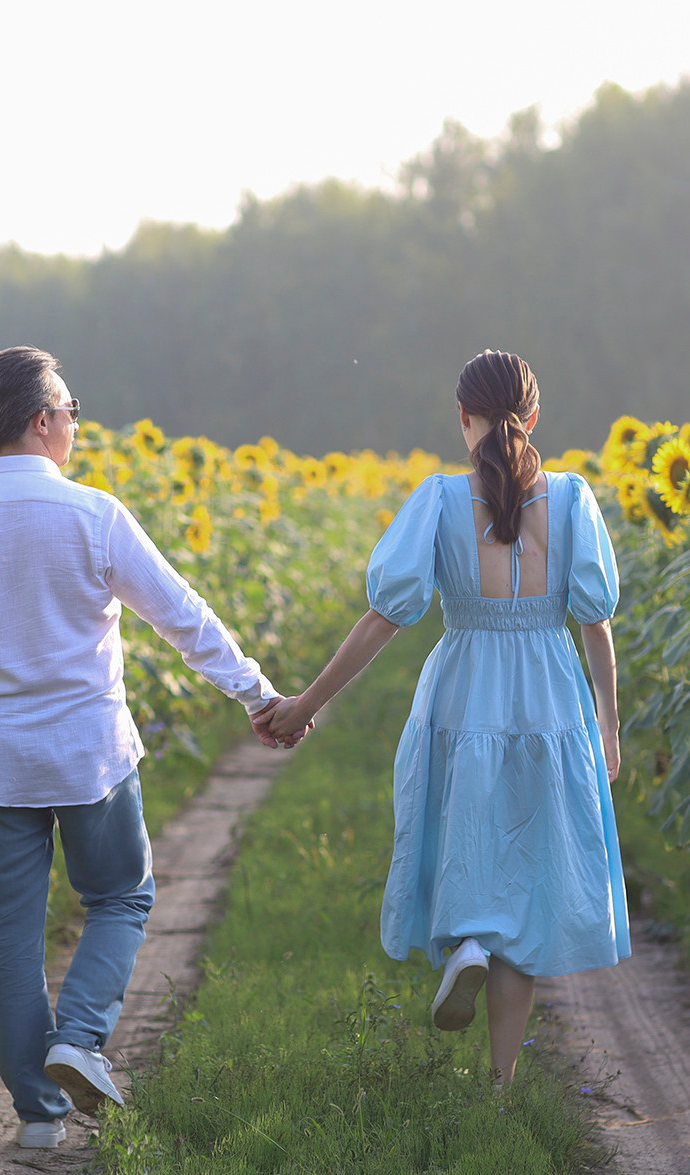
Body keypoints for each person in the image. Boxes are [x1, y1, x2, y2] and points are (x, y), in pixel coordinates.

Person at [0, 346, 307, 1150]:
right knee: (122, 894)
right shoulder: (93, 515)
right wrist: (256, 693)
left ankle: (38, 1117)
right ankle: (80, 1036)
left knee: (12, 937)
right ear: (41, 420)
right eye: (70, 409)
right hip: (88, 751)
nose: (75, 421)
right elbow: (180, 614)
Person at [260, 349, 626, 1085]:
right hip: (551, 701)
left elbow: (383, 618)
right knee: (526, 879)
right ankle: (499, 1086)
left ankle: (467, 942)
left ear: (463, 416)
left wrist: (305, 703)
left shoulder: (438, 500)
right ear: (533, 417)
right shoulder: (572, 498)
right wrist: (608, 727)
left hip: (464, 692)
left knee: (467, 837)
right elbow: (595, 622)